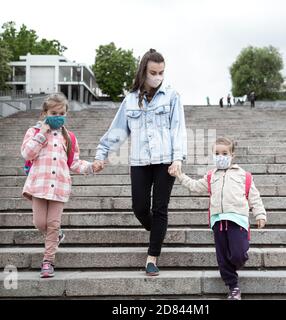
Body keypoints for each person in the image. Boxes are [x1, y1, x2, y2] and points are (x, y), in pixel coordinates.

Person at [93, 49, 187, 276]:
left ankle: (152, 257)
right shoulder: (131, 100)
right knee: (140, 208)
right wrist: (101, 154)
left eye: (161, 72)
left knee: (160, 208)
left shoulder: (172, 96)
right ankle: (158, 231)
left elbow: (178, 128)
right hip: (139, 160)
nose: (157, 76)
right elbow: (117, 130)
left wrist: (177, 158)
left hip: (165, 161)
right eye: (153, 72)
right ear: (143, 71)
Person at [173, 137, 267, 300]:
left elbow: (254, 196)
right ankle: (233, 287)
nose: (220, 156)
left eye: (224, 153)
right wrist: (180, 176)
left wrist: (260, 214)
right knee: (222, 257)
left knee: (238, 255)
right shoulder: (211, 176)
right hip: (218, 221)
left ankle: (236, 262)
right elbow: (195, 186)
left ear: (232, 155)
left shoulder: (244, 175)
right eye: (217, 153)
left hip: (238, 221)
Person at [21, 93, 95, 278]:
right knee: (39, 223)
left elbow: (74, 162)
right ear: (45, 113)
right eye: (54, 113)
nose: (58, 117)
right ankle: (57, 235)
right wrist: (42, 133)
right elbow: (27, 154)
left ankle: (48, 261)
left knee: (53, 224)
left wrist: (91, 167)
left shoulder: (68, 137)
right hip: (39, 185)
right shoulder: (33, 132)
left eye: (61, 113)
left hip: (60, 186)